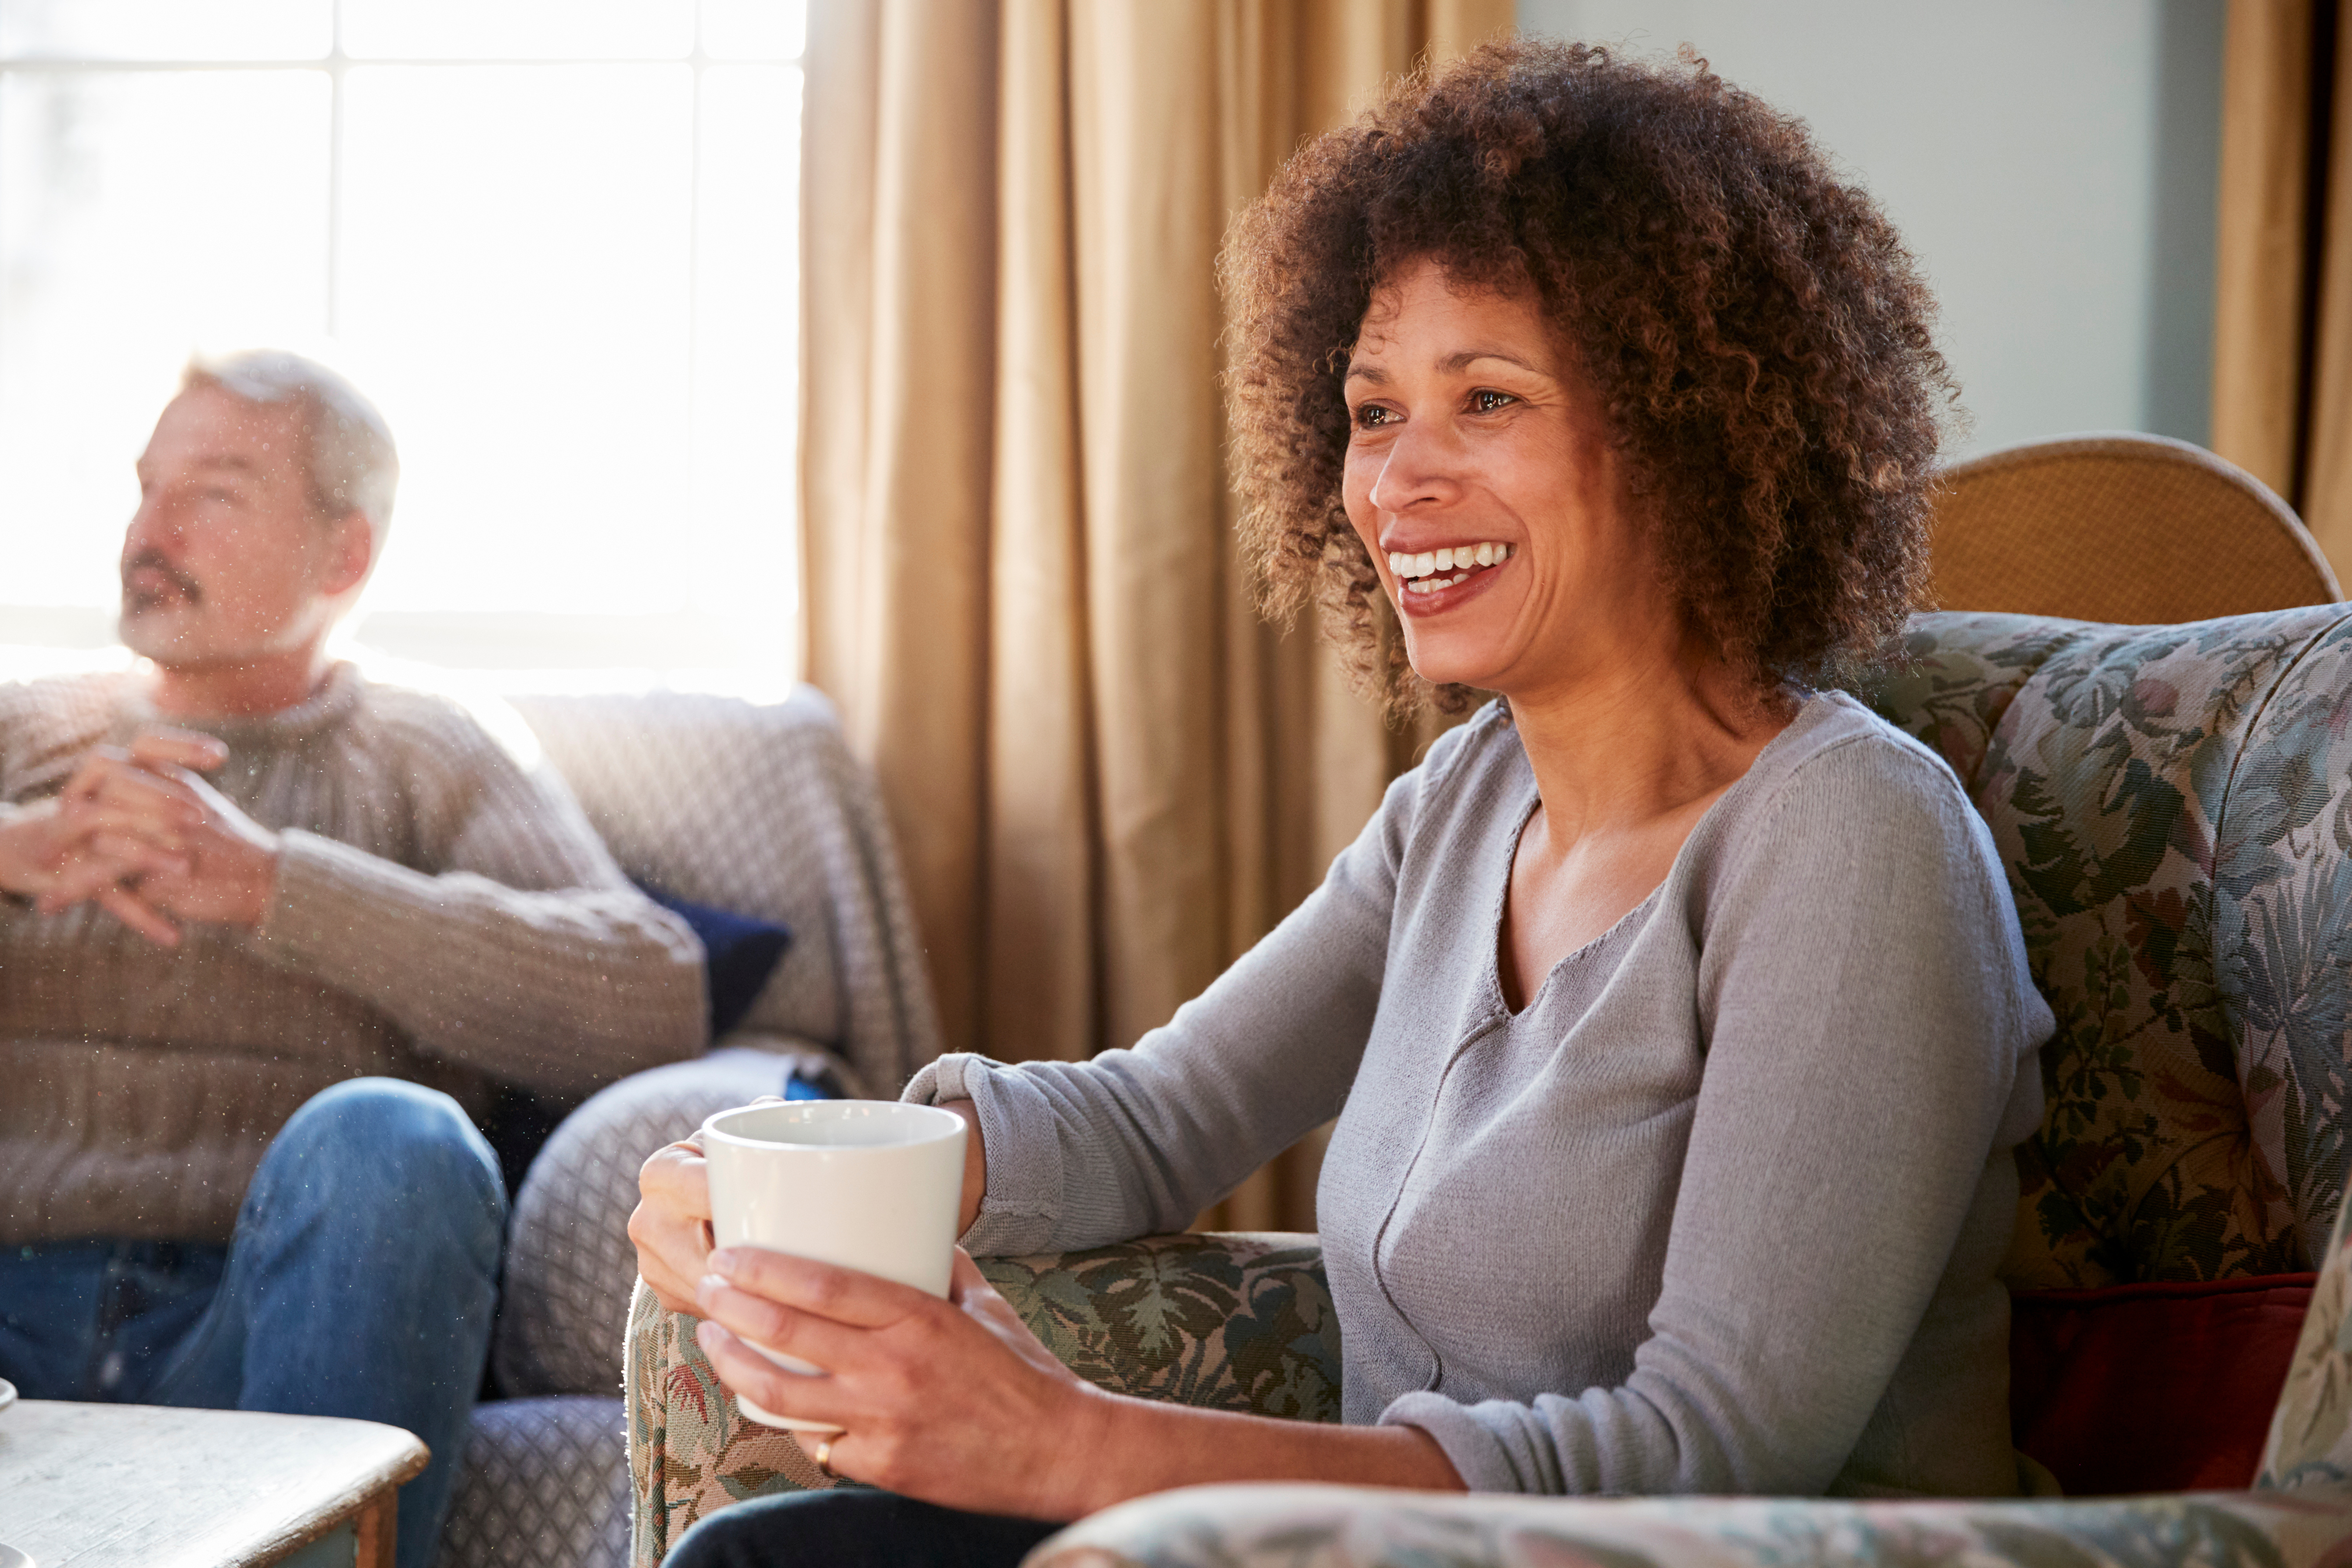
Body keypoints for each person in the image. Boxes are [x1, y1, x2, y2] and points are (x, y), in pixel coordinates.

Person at [630, 39, 2058, 1566]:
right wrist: (790, 1169)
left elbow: (1708, 1447)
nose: (1396, 484)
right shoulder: (1464, 805)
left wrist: (1070, 1446)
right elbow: (1158, 1117)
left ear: (1687, 426)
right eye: (1374, 413)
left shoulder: (1853, 839)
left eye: (1487, 399)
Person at [0, 350, 706, 1568]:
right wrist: (13, 852)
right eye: (145, 485)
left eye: (213, 494)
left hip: (276, 1324)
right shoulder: (27, 733)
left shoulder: (428, 749)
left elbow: (648, 989)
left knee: (399, 1140)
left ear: (346, 556)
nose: (148, 530)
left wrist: (277, 887)